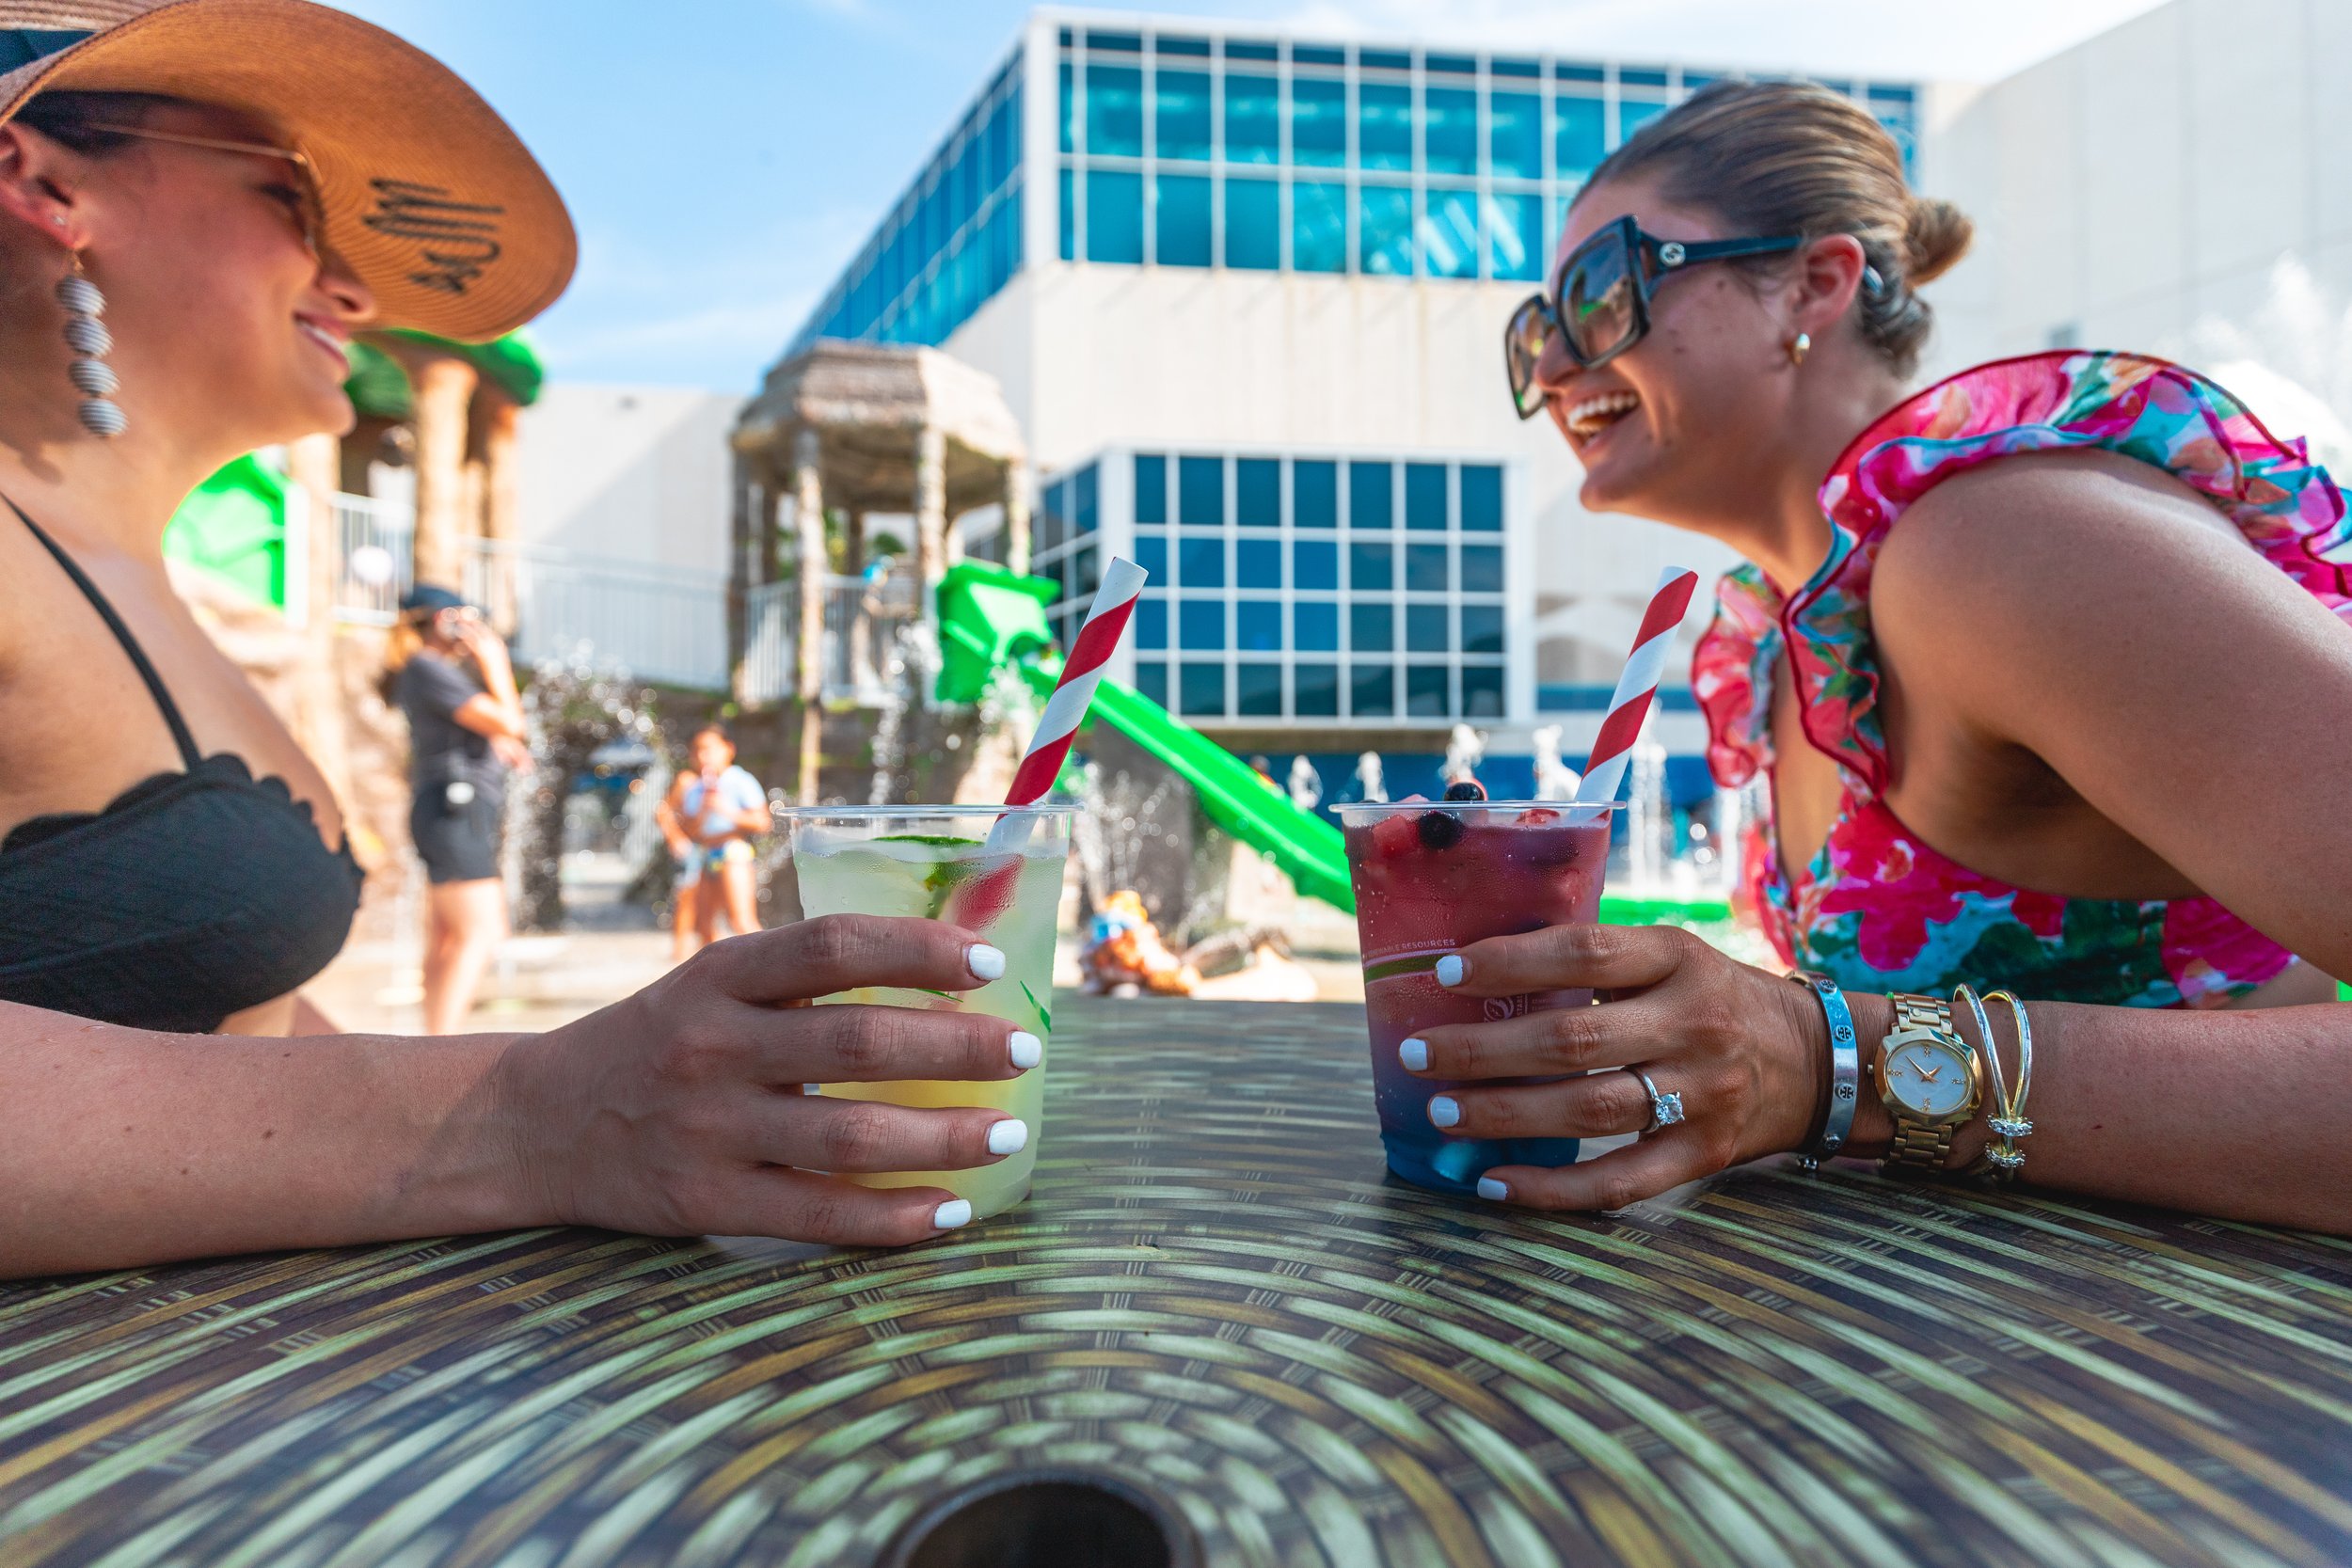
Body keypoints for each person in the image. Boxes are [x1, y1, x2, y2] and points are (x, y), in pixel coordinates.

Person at [0, 0, 1034, 1276]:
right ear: (40, 178)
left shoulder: (136, 580)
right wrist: (530, 1108)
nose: (357, 285)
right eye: (292, 202)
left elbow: (223, 1028)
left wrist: (651, 1085)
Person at [1420, 80, 2352, 1233]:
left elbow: (1834, 1070)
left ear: (1813, 281)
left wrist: (1830, 1066)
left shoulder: (2003, 544)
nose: (1556, 365)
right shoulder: (1794, 646)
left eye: (1599, 294)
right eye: (1534, 331)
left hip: (2245, 1383)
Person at [382, 584, 527, 1034]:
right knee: (482, 933)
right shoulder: (427, 667)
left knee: (448, 937)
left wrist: (495, 741)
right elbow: (513, 720)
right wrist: (496, 664)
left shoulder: (424, 670)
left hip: (445, 806)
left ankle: (433, 1044)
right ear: (442, 620)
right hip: (454, 808)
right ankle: (441, 1053)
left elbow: (484, 728)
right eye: (462, 617)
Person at [657, 722, 771, 955]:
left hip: (732, 853)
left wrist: (727, 810)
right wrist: (701, 814)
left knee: (741, 921)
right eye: (696, 750)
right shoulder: (696, 787)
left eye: (709, 749)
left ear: (729, 749)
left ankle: (772, 972)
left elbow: (762, 822)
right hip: (705, 854)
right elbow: (691, 830)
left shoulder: (739, 780)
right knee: (705, 927)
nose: (702, 756)